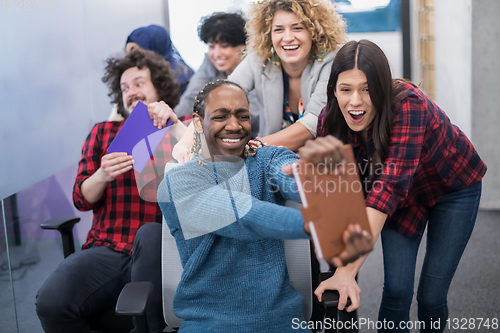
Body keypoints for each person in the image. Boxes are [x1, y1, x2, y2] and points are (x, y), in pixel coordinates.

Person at [157, 80, 372, 332]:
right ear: (197, 122)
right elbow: (241, 214)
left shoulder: (267, 158)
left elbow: (293, 176)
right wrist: (315, 222)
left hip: (281, 321)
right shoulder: (178, 182)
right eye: (221, 116)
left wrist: (324, 180)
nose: (235, 125)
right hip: (208, 323)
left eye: (242, 115)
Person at [313, 40, 487, 332]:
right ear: (333, 90)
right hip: (404, 202)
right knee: (396, 289)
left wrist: (347, 270)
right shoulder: (329, 123)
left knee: (431, 297)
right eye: (346, 89)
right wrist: (340, 268)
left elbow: (390, 185)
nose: (355, 101)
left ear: (382, 87)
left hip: (452, 188)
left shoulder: (408, 103)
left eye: (367, 89)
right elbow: (337, 196)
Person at [36, 49, 186, 333]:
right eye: (124, 88)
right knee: (51, 305)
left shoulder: (182, 128)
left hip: (158, 249)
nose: (131, 92)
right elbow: (81, 199)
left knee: (145, 315)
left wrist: (175, 126)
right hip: (107, 246)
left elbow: (210, 170)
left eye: (139, 83)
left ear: (159, 88)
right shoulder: (103, 132)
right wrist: (102, 175)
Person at [227, 0, 347, 150]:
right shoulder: (259, 59)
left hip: (321, 161)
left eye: (297, 28)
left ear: (315, 32)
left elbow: (313, 123)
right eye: (278, 30)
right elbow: (224, 94)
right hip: (270, 159)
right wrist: (191, 140)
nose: (288, 37)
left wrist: (253, 147)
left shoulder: (332, 61)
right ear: (268, 34)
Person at [125, 24, 194, 94]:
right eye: (128, 54)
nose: (130, 60)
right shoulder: (134, 82)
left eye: (135, 53)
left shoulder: (189, 85)